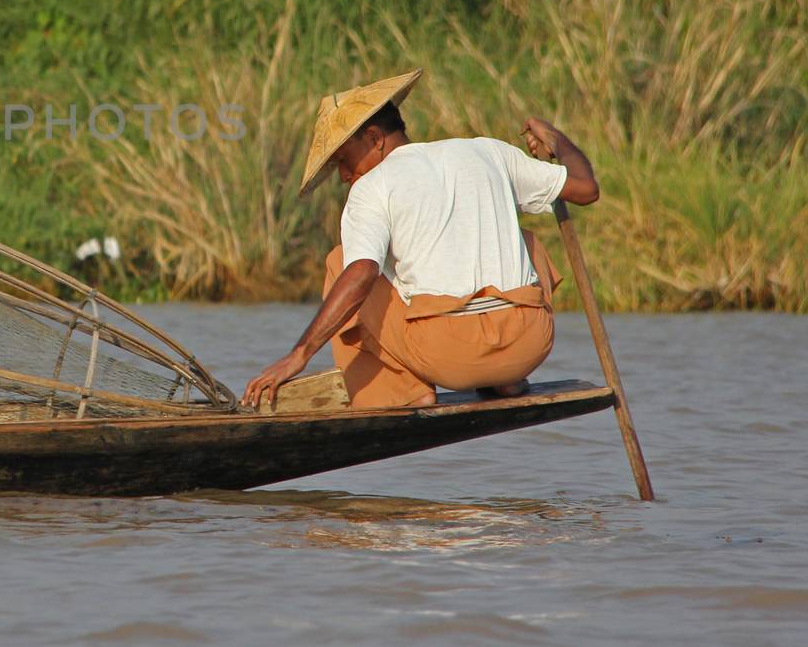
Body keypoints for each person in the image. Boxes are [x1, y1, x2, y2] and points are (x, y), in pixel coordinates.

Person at [242, 69, 600, 409]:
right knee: (526, 240)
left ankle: (407, 392)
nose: (344, 176)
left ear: (374, 139)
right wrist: (556, 139)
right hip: (529, 342)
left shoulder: (371, 188)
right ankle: (507, 380)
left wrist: (299, 354)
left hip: (449, 355)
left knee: (343, 263)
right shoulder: (489, 152)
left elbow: (363, 272)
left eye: (342, 160)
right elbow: (585, 188)